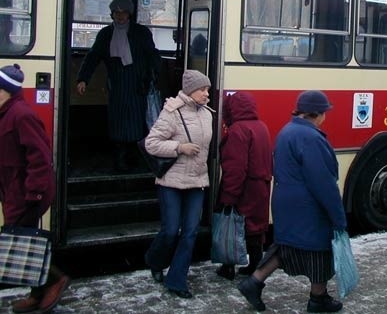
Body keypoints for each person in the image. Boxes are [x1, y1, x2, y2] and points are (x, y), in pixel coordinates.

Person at [237, 90, 346, 313]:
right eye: (325, 112)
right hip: (308, 205)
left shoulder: (288, 130)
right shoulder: (310, 137)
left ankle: (253, 282)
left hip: (285, 200)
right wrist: (338, 217)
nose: (326, 117)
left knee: (287, 246)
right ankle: (318, 298)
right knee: (320, 248)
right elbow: (322, 182)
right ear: (317, 113)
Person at [0, 64, 71, 313]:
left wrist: (35, 193)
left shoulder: (21, 115)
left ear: (5, 90)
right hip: (14, 190)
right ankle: (36, 292)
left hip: (27, 192)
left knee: (21, 240)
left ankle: (55, 280)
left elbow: (40, 158)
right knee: (22, 239)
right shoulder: (6, 113)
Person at [143, 70, 214, 299]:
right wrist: (179, 148)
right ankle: (154, 261)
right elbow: (151, 144)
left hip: (197, 180)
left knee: (191, 232)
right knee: (171, 230)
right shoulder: (171, 112)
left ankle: (177, 280)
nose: (206, 94)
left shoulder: (207, 114)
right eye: (203, 89)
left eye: (207, 90)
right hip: (171, 182)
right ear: (190, 90)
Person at [76, 0, 161, 172]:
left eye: (123, 13)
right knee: (117, 122)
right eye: (117, 13)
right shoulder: (106, 34)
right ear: (112, 14)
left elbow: (153, 55)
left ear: (129, 14)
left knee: (138, 122)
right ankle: (120, 159)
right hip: (116, 86)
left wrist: (157, 77)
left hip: (139, 86)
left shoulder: (141, 33)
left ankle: (136, 158)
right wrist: (83, 79)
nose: (120, 16)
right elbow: (93, 56)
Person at [215, 91, 273, 281]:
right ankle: (255, 264)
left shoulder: (238, 130)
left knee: (234, 226)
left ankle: (228, 266)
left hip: (245, 188)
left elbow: (235, 168)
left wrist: (229, 196)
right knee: (256, 227)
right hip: (262, 186)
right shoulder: (262, 126)